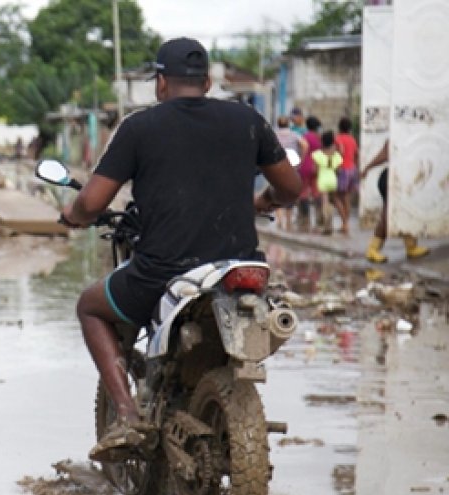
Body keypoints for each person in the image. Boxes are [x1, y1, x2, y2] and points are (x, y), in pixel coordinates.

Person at [63, 37, 301, 460]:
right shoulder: (247, 119)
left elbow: (94, 202)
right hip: (239, 269)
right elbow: (290, 187)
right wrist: (262, 203)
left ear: (160, 83)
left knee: (89, 306)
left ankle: (127, 415)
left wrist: (73, 216)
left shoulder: (139, 127)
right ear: (208, 82)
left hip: (163, 272)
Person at [363, 140, 429, 263]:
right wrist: (367, 167)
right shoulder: (397, 133)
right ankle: (372, 250)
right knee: (387, 216)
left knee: (406, 213)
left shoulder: (412, 135)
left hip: (403, 179)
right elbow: (385, 154)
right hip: (391, 179)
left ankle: (411, 246)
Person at [274, 116, 307, 231]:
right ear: (288, 124)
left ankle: (279, 220)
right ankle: (288, 221)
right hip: (291, 167)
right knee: (289, 192)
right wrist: (301, 160)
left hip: (277, 167)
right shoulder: (294, 135)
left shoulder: (274, 135)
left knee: (277, 191)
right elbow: (305, 145)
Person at [311, 131, 345, 233]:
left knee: (325, 203)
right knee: (334, 200)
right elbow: (338, 169)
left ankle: (327, 224)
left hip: (322, 180)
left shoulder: (317, 155)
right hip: (333, 179)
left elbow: (315, 170)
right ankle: (339, 222)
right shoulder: (336, 156)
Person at [333, 117, 359, 233]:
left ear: (339, 127)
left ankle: (345, 223)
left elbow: (338, 153)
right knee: (346, 197)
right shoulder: (352, 139)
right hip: (352, 169)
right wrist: (355, 165)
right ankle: (345, 223)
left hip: (342, 169)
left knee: (336, 197)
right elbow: (357, 154)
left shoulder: (338, 139)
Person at [297, 116, 324, 232]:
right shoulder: (319, 138)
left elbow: (301, 151)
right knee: (316, 192)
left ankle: (305, 222)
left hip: (305, 166)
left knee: (303, 193)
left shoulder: (304, 137)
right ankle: (319, 222)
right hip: (317, 166)